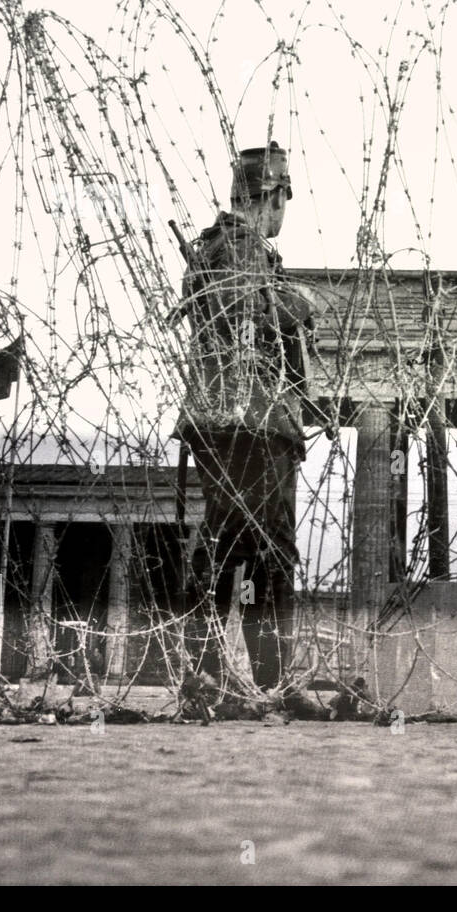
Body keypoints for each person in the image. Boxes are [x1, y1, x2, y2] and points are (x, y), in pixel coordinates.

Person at [175, 141, 314, 697]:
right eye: (284, 199)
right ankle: (267, 680)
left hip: (227, 414)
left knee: (232, 541)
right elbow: (244, 320)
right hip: (249, 416)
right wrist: (297, 307)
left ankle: (209, 671)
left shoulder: (221, 245)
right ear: (274, 194)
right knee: (269, 546)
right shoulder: (239, 247)